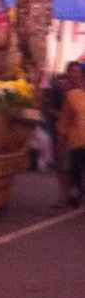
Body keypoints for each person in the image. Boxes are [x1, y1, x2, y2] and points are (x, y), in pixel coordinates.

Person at [56, 62, 85, 206]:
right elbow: (65, 119)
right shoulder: (71, 96)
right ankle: (73, 194)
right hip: (76, 141)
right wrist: (61, 136)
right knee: (74, 170)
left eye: (78, 72)